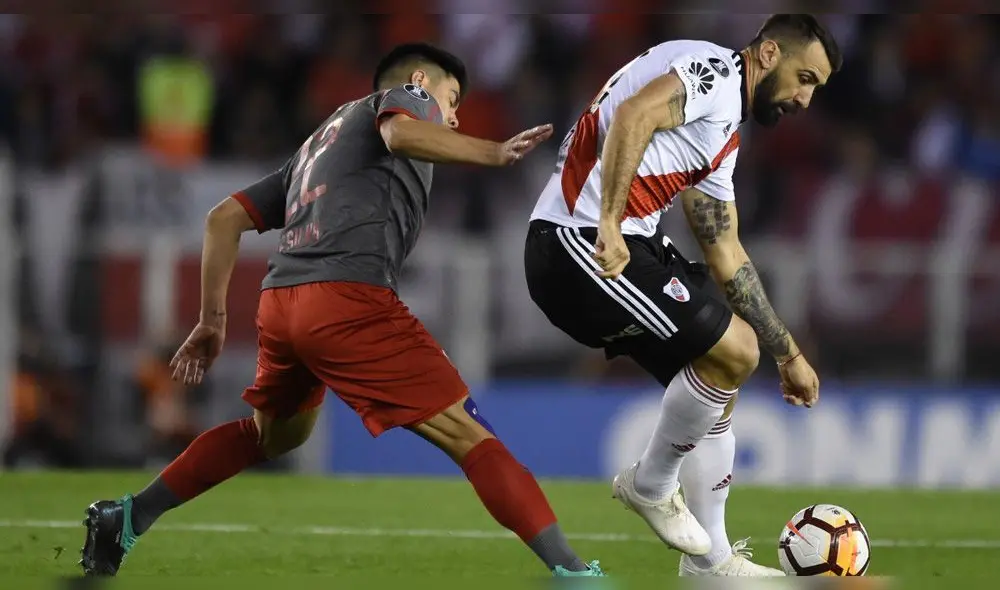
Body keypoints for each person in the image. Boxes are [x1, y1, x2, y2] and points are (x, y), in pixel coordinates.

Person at [79, 43, 603, 579]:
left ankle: (129, 516)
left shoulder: (317, 145)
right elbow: (400, 131)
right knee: (470, 437)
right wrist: (492, 153)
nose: (454, 116)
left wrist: (212, 321)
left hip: (281, 303)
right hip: (349, 298)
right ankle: (572, 570)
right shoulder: (406, 98)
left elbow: (224, 218)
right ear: (422, 81)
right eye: (452, 99)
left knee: (274, 435)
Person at [524, 14, 841, 577]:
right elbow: (633, 114)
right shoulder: (716, 73)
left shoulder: (721, 137)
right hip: (577, 243)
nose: (805, 100)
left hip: (621, 242)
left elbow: (727, 254)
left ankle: (709, 563)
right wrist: (611, 222)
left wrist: (788, 355)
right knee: (735, 350)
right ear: (768, 53)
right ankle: (650, 485)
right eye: (806, 78)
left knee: (725, 368)